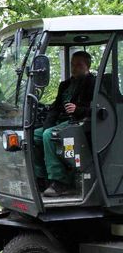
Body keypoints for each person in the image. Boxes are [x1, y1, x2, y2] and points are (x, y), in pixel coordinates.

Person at [33, 51, 95, 197]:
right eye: (73, 65)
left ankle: (60, 182)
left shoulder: (93, 82)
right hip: (61, 122)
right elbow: (54, 108)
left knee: (49, 135)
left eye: (78, 65)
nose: (74, 68)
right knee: (34, 136)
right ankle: (41, 178)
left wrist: (78, 109)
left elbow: (100, 107)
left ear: (87, 65)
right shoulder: (65, 84)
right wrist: (47, 126)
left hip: (79, 122)